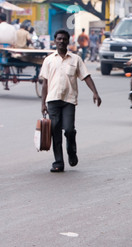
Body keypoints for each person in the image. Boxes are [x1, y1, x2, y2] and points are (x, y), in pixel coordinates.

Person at [40, 29, 102, 173]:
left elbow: (86, 76)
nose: (61, 41)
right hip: (53, 99)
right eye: (59, 39)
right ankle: (58, 162)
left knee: (68, 130)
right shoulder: (49, 60)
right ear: (55, 41)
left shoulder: (76, 59)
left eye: (64, 39)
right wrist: (43, 103)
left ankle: (71, 151)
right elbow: (45, 83)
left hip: (69, 100)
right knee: (55, 131)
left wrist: (95, 92)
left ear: (68, 41)